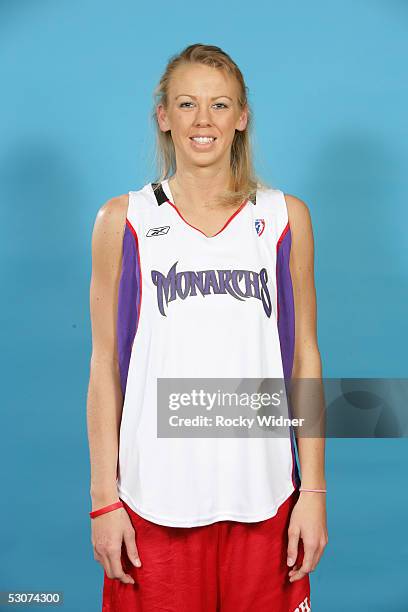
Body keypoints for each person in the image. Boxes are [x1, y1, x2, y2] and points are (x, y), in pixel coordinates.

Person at [87, 43, 328, 612]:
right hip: (154, 501)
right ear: (163, 116)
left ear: (241, 118)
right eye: (187, 104)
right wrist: (104, 500)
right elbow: (104, 366)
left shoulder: (284, 218)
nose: (203, 121)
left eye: (219, 105)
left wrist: (313, 492)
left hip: (265, 498)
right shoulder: (124, 220)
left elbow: (305, 361)